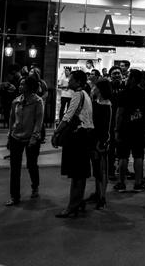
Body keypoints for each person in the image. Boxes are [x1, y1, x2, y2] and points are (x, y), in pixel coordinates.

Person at [54, 70, 94, 218]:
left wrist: (57, 132)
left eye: (71, 79)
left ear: (78, 82)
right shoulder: (86, 95)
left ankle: (72, 206)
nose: (68, 81)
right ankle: (78, 201)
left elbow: (68, 116)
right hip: (85, 136)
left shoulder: (78, 95)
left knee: (76, 173)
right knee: (80, 173)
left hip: (77, 137)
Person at [5, 77, 44, 206]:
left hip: (31, 138)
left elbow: (39, 121)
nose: (20, 86)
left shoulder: (38, 101)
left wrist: (34, 137)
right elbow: (11, 118)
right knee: (14, 168)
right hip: (16, 137)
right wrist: (10, 134)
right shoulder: (16, 101)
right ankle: (14, 196)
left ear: (30, 86)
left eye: (23, 84)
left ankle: (35, 186)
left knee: (31, 164)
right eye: (20, 84)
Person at [113, 69, 145, 193]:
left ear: (133, 79)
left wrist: (116, 129)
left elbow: (119, 113)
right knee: (138, 155)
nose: (127, 79)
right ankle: (138, 183)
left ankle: (121, 183)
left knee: (123, 156)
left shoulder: (123, 93)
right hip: (139, 128)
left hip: (125, 128)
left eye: (129, 77)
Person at [87, 78, 112, 209]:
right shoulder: (96, 102)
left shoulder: (106, 105)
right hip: (94, 139)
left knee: (102, 169)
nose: (93, 89)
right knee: (97, 168)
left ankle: (102, 197)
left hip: (101, 141)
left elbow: (106, 126)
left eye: (95, 87)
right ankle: (98, 193)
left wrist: (102, 141)